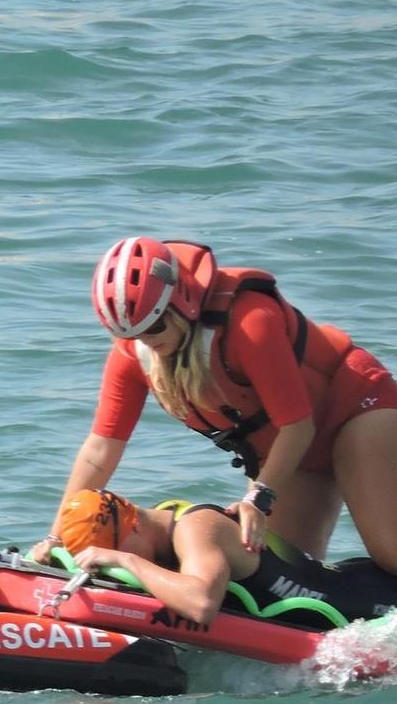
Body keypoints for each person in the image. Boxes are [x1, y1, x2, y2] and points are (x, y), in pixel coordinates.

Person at [37, 236, 397, 573]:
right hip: (294, 455)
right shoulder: (134, 352)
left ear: (181, 303)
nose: (146, 341)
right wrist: (58, 537)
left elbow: (297, 425)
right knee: (284, 574)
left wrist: (258, 497)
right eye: (132, 334)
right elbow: (101, 449)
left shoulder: (250, 321)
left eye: (156, 326)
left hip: (356, 411)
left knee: (389, 551)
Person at [52, 486, 397, 626]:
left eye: (110, 554)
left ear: (134, 528)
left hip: (370, 602)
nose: (109, 564)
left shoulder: (196, 530)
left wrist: (127, 561)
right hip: (351, 580)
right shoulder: (165, 521)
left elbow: (202, 604)